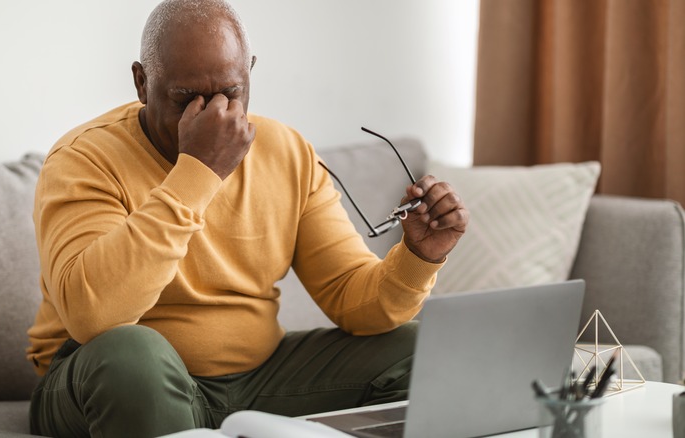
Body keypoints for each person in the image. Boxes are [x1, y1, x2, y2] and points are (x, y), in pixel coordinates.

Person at [26, 0, 469, 437]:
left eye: (230, 93)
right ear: (142, 83)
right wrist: (198, 174)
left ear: (250, 71)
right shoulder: (84, 158)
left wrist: (417, 256)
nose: (212, 114)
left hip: (258, 380)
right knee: (129, 355)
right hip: (109, 379)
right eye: (185, 98)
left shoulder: (286, 151)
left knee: (423, 350)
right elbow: (93, 315)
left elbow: (354, 301)